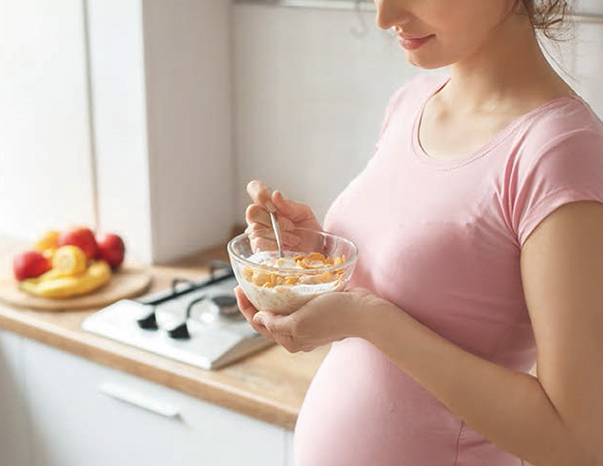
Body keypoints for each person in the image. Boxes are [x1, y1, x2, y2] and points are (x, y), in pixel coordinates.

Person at [233, 0, 603, 465]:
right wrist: (316, 257)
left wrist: (366, 319)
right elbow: (424, 288)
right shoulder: (413, 102)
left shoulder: (559, 152)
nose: (385, 17)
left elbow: (577, 441)